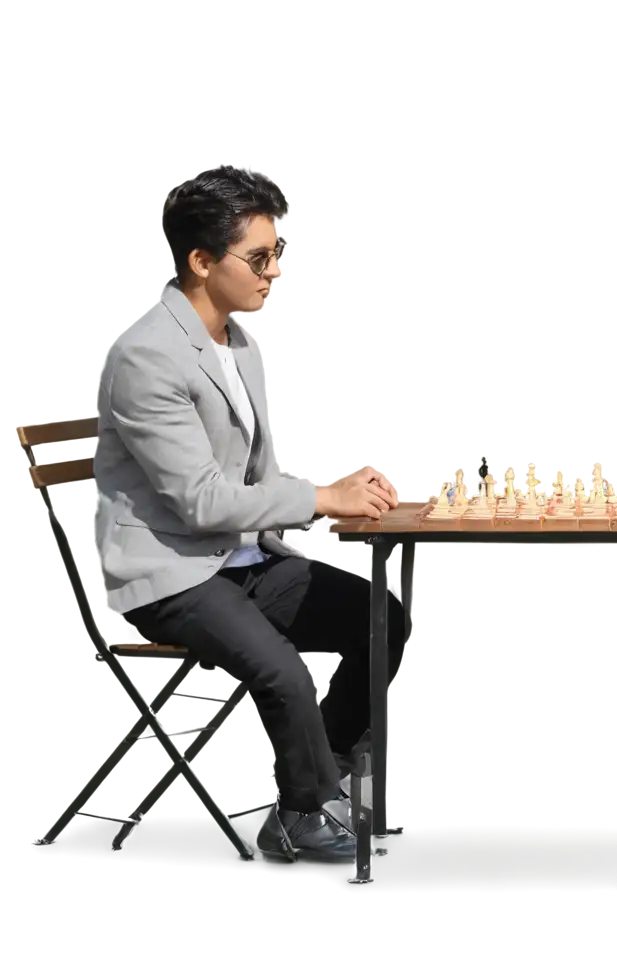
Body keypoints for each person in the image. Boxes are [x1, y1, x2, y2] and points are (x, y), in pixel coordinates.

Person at [91, 163, 405, 864]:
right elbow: (199, 500)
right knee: (286, 672)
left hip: (241, 558)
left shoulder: (236, 340)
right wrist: (322, 497)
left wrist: (336, 485)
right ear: (202, 261)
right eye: (260, 258)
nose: (277, 272)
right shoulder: (147, 355)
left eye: (279, 253)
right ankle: (306, 811)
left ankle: (305, 778)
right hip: (172, 574)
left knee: (385, 619)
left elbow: (245, 479)